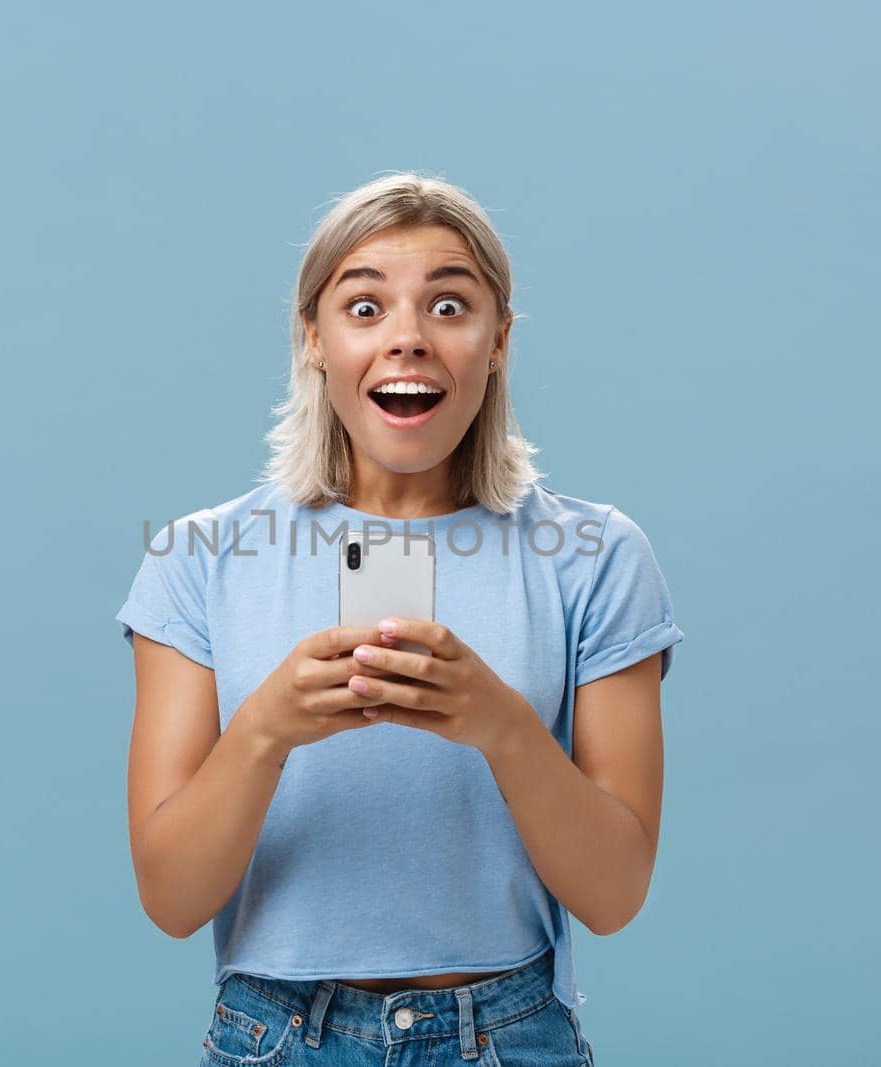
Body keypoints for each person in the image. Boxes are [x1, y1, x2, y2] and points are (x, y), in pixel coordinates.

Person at [117, 171, 683, 1065]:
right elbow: (172, 899)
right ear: (312, 337)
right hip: (274, 1036)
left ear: (498, 340)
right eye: (366, 306)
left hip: (509, 1034)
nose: (409, 339)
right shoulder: (198, 556)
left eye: (450, 305)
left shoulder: (596, 554)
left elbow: (613, 895)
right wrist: (266, 728)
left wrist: (498, 723)